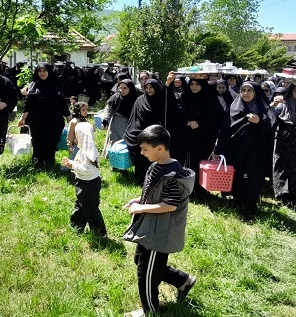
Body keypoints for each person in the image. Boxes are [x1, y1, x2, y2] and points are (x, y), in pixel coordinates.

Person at [122, 125, 196, 317]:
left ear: (160, 148)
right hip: (151, 227)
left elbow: (170, 205)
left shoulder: (172, 176)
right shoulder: (156, 166)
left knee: (146, 273)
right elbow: (155, 194)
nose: (142, 153)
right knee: (142, 261)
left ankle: (150, 311)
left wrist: (141, 208)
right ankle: (183, 280)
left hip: (160, 232)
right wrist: (139, 201)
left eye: (145, 149)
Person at [215, 82, 276, 218]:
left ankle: (250, 206)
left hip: (256, 151)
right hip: (236, 150)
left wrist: (259, 120)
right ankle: (237, 201)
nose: (246, 93)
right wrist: (218, 150)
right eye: (243, 90)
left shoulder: (263, 107)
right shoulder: (234, 107)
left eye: (249, 90)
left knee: (253, 177)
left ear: (256, 93)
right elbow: (225, 129)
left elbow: (271, 124)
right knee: (237, 175)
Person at [123, 78, 179, 185]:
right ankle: (140, 179)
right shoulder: (140, 100)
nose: (149, 90)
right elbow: (135, 118)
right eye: (147, 88)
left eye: (151, 88)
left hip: (155, 134)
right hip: (139, 132)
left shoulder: (162, 100)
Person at [178, 76, 225, 196]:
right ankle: (188, 188)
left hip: (205, 138)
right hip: (188, 136)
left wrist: (199, 124)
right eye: (192, 84)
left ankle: (199, 189)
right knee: (188, 161)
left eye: (197, 84)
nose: (194, 87)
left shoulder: (210, 99)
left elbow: (216, 119)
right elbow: (180, 115)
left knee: (200, 162)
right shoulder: (186, 97)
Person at [18, 62, 70, 168]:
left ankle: (50, 161)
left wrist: (68, 116)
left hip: (54, 118)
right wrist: (22, 118)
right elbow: (28, 104)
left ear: (49, 71)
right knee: (37, 140)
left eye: (45, 70)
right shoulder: (32, 85)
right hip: (36, 119)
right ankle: (38, 162)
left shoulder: (56, 84)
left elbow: (62, 102)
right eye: (40, 71)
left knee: (52, 139)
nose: (42, 73)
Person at [61, 120, 107, 236]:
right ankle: (76, 226)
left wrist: (73, 165)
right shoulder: (84, 149)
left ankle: (99, 233)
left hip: (89, 185)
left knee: (90, 209)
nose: (75, 137)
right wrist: (71, 162)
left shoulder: (89, 152)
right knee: (81, 205)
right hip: (83, 182)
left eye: (76, 134)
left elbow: (87, 170)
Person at [102, 79, 139, 155]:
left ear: (130, 88)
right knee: (115, 145)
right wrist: (105, 120)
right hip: (116, 123)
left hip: (130, 124)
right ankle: (114, 160)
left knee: (128, 146)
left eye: (125, 88)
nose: (122, 90)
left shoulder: (136, 99)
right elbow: (108, 109)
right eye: (120, 88)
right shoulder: (115, 97)